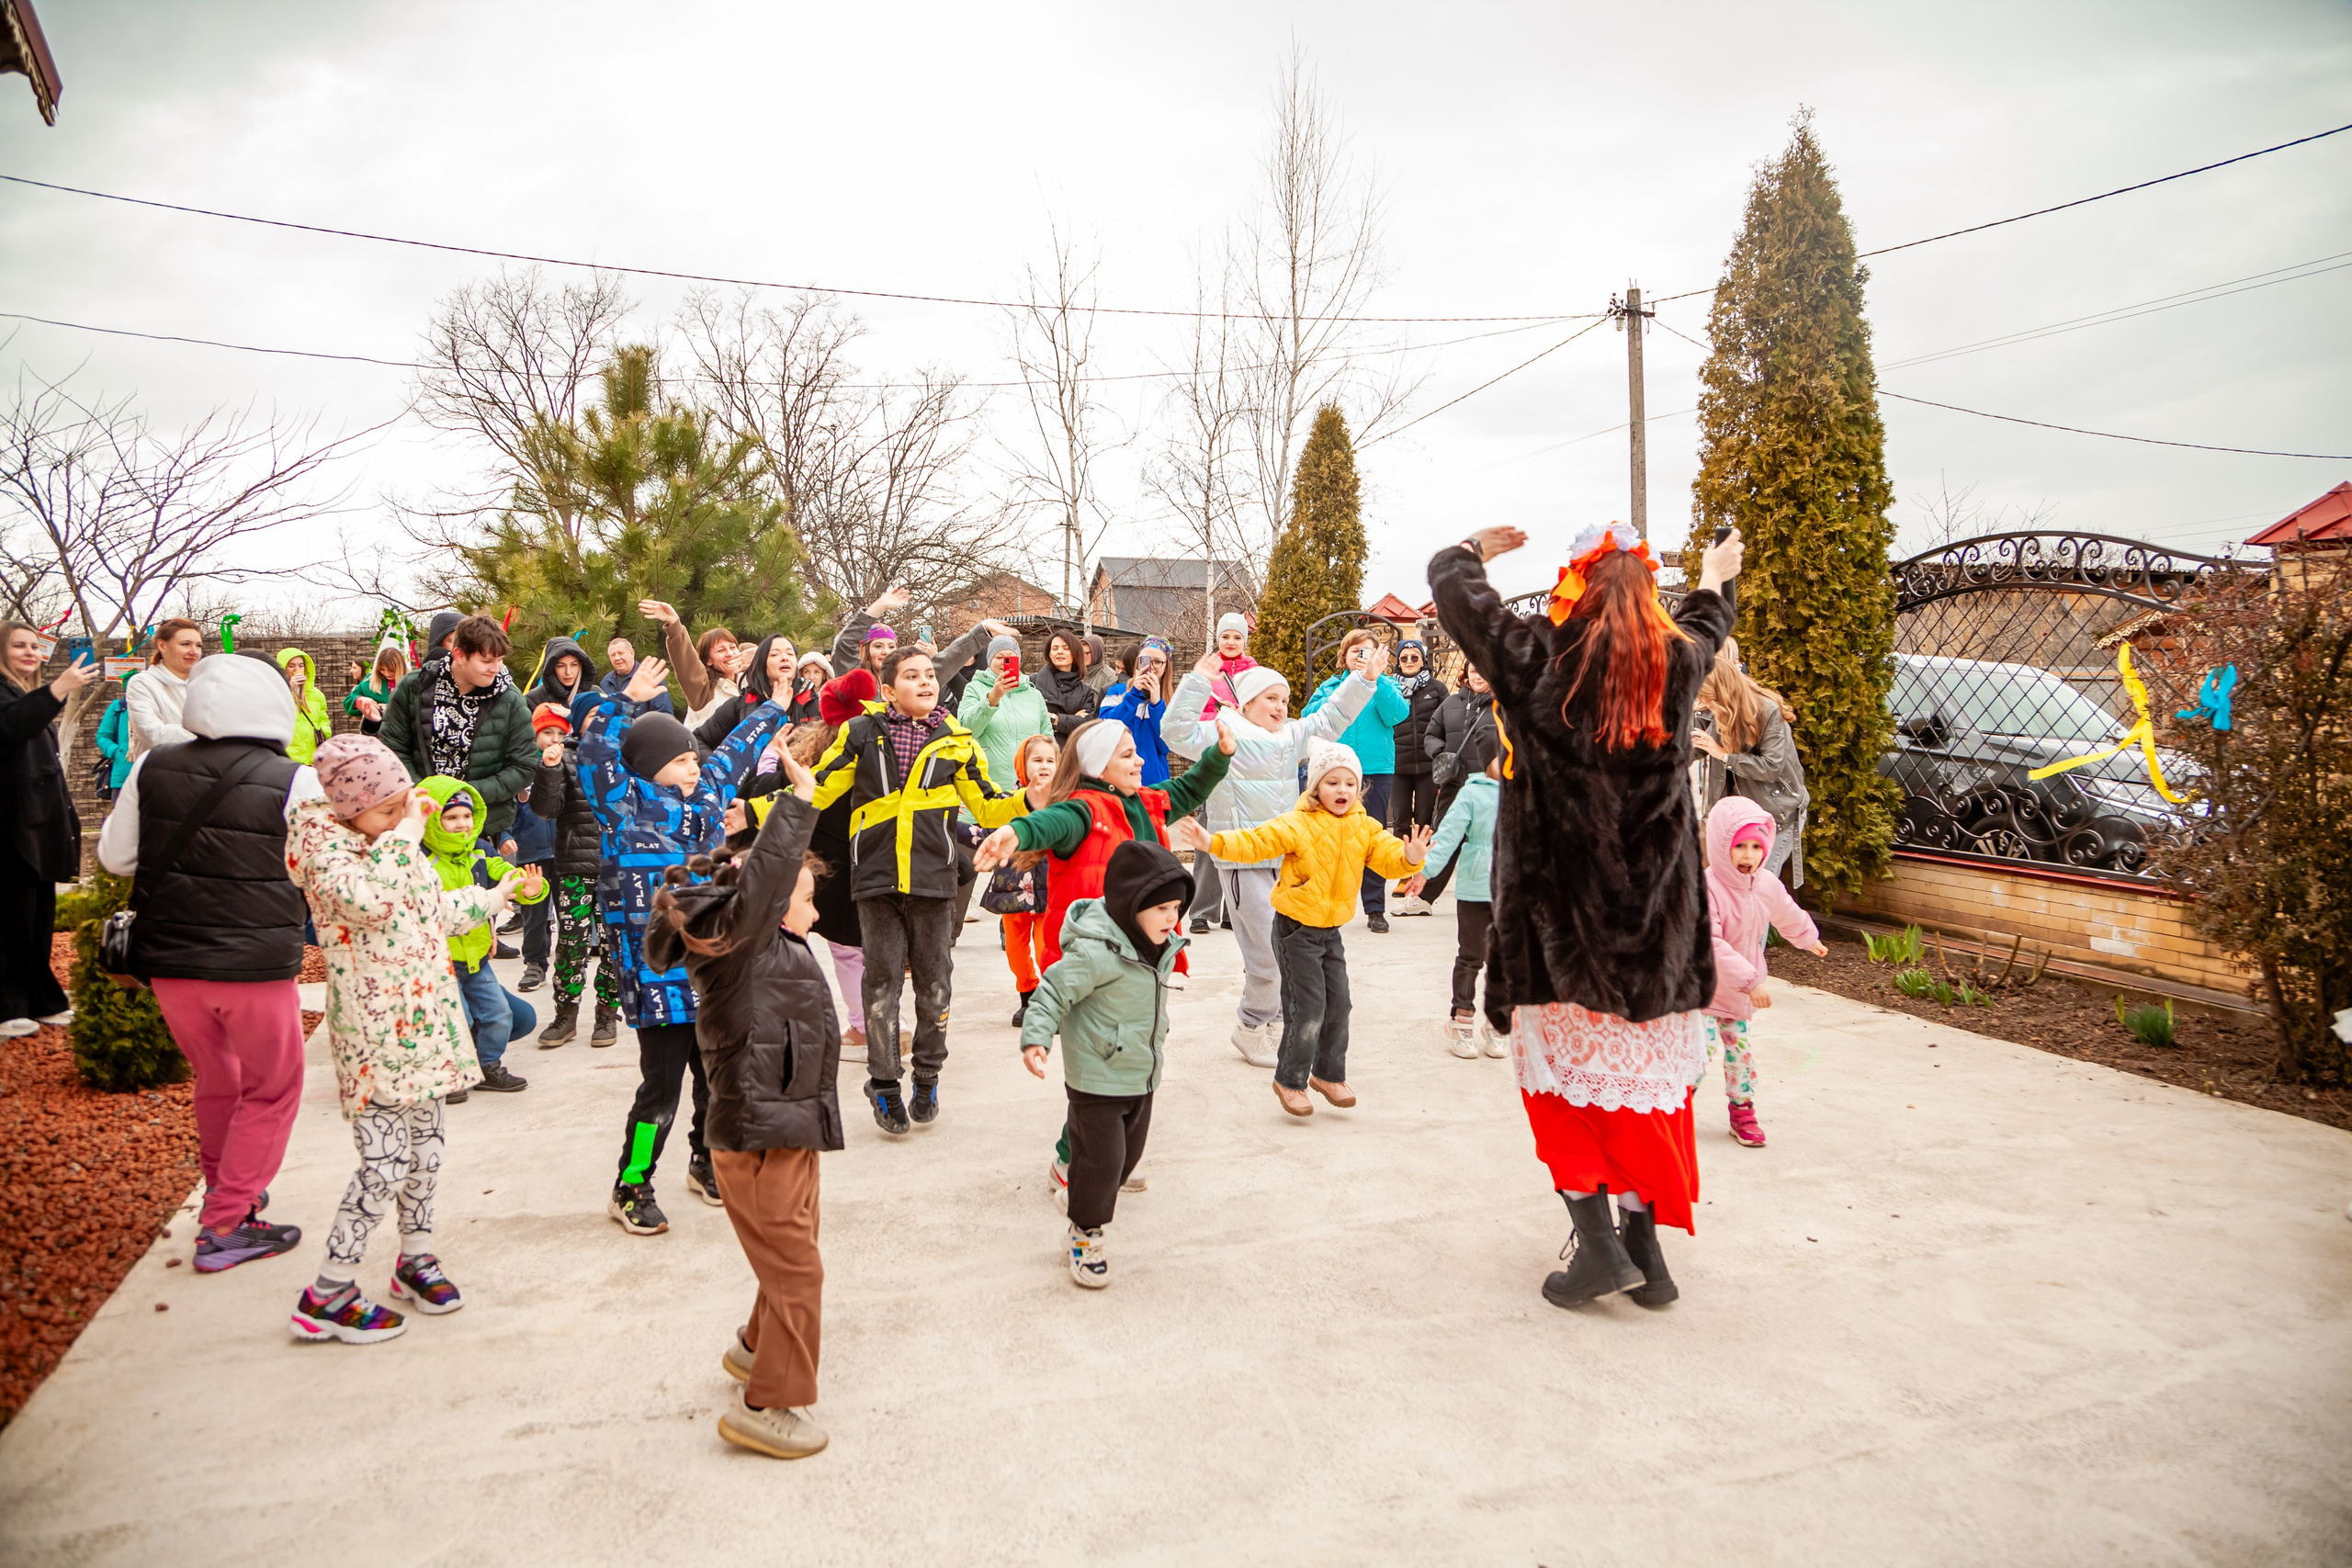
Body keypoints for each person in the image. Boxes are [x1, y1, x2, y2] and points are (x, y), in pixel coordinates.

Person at [1428, 519, 1744, 1314]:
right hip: (1652, 937)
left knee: (1564, 1094)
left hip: (1558, 929)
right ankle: (1647, 1250)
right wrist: (1716, 572)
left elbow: (1456, 596)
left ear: (1576, 588)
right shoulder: (1678, 661)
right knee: (1645, 1099)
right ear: (1650, 597)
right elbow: (1708, 620)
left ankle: (1600, 1245)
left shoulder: (1539, 661)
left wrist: (1472, 551)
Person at [285, 736, 514, 1344]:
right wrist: (406, 833)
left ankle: (415, 1257)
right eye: (385, 808)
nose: (400, 815)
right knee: (383, 1163)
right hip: (375, 1030)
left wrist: (491, 898)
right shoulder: (326, 847)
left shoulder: (391, 842)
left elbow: (424, 907)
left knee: (426, 1152)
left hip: (426, 1023)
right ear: (345, 806)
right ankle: (327, 1292)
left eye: (401, 804)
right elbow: (371, 902)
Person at [647, 755, 839, 1460]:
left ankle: (753, 1347)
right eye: (807, 897)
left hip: (787, 1127)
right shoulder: (745, 945)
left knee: (792, 1253)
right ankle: (770, 1403)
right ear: (769, 899)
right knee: (798, 1268)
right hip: (760, 1134)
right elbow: (761, 882)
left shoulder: (772, 944)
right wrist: (799, 800)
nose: (814, 911)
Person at [95, 652, 311, 1269]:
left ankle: (228, 1190)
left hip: (171, 964)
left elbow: (115, 858)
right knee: (271, 1088)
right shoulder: (296, 778)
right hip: (256, 966)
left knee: (219, 1081)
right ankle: (224, 1224)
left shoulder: (150, 765)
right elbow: (318, 865)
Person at [581, 656, 787, 1234]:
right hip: (656, 979)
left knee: (717, 1078)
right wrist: (625, 701)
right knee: (660, 1090)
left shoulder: (703, 805)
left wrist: (774, 703)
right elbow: (597, 755)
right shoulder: (621, 807)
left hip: (709, 974)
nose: (693, 768)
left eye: (692, 758)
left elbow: (735, 753)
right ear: (648, 768)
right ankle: (633, 1184)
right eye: (678, 761)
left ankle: (707, 1160)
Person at [808, 648, 1023, 1135]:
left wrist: (1031, 799)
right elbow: (817, 789)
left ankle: (927, 1075)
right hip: (877, 879)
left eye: (930, 674)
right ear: (888, 691)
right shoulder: (861, 733)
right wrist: (761, 810)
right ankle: (884, 1084)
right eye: (912, 676)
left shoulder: (958, 742)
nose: (926, 681)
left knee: (934, 981)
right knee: (881, 983)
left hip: (933, 877)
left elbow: (988, 806)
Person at [1176, 740, 1430, 1118]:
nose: (1341, 790)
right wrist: (1212, 841)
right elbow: (1256, 842)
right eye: (1332, 783)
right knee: (1307, 1007)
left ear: (1358, 789)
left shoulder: (1365, 826)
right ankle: (1290, 1079)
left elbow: (1387, 857)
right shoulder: (1298, 822)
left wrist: (1410, 859)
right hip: (1296, 930)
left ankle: (1328, 1075)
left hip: (1330, 931)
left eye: (1348, 783)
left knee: (1339, 1004)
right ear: (1314, 788)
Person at [1162, 648, 1379, 1068]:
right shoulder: (1225, 730)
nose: (1280, 706)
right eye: (1270, 698)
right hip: (1243, 860)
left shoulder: (1290, 736)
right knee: (1265, 951)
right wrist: (1197, 682)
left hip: (1285, 859)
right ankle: (1250, 1026)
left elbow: (1331, 717)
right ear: (1247, 702)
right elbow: (1175, 731)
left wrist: (1364, 680)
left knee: (1286, 949)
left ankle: (1277, 1021)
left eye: (1284, 699)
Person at [1020, 838, 1190, 1290]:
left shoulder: (1158, 946)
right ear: (1131, 904)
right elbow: (1052, 992)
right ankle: (1084, 1233)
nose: (1172, 919)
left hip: (1141, 1074)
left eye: (1177, 908)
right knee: (1103, 1160)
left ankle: (1082, 1197)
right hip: (1096, 1077)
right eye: (1162, 909)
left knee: (1125, 1161)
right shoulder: (1096, 953)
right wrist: (1036, 1039)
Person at [1702, 796, 1826, 1149]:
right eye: (1739, 845)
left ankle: (1743, 1112)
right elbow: (1709, 943)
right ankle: (1673, 1111)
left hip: (1737, 1000)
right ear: (1721, 845)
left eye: (1757, 846)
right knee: (1697, 1054)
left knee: (1740, 1056)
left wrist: (1809, 938)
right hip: (1703, 994)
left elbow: (1787, 912)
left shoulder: (1766, 883)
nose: (1749, 855)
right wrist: (1751, 981)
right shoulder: (1706, 887)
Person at [420, 778, 548, 1094]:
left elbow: (506, 876)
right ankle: (450, 1073)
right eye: (451, 818)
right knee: (455, 1017)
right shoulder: (421, 860)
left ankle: (486, 1065)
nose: (462, 824)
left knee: (500, 1014)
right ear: (432, 820)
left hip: (476, 959)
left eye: (466, 816)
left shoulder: (478, 851)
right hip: (439, 963)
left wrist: (529, 888)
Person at [2, 625, 94, 1036]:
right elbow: (16, 726)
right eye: (18, 645)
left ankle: (40, 1000)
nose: (29, 651)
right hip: (10, 823)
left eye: (35, 646)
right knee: (11, 919)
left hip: (37, 821)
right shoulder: (9, 697)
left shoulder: (24, 694)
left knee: (38, 918)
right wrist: (58, 688)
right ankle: (7, 1006)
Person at [380, 615, 540, 841]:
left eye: (500, 660)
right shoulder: (415, 687)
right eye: (486, 661)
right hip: (420, 820)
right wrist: (429, 791)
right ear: (459, 655)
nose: (496, 669)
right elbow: (392, 749)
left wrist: (467, 793)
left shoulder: (510, 698)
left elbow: (524, 766)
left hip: (482, 827)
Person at [1302, 629, 1410, 931]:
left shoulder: (1386, 685)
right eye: (1355, 652)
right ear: (1344, 656)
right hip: (1336, 772)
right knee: (1329, 837)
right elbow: (1311, 717)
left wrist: (1375, 680)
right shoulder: (1330, 686)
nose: (1360, 657)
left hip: (1375, 770)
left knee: (1372, 838)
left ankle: (1375, 907)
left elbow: (1397, 715)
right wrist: (1349, 687)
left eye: (1367, 652)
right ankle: (1327, 903)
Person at [1397, 756, 1504, 1059]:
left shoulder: (1529, 790)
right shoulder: (1472, 793)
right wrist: (1424, 872)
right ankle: (1462, 1020)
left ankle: (1498, 1023)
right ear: (1487, 758)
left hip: (1514, 892)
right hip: (1476, 890)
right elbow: (1447, 838)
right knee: (1472, 956)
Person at [528, 703, 621, 1049]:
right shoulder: (563, 756)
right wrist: (549, 770)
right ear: (578, 721)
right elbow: (545, 809)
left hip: (616, 867)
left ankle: (607, 1014)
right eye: (592, 714)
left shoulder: (623, 754)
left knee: (614, 945)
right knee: (570, 945)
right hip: (574, 866)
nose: (600, 721)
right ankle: (565, 1016)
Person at [1695, 640, 1810, 889]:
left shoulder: (1766, 711)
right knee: (1730, 892)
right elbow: (1691, 748)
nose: (1709, 708)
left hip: (1776, 814)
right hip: (1735, 817)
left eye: (1711, 702)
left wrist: (1723, 755)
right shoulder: (1715, 709)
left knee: (1756, 891)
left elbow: (1770, 767)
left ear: (1723, 695)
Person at [985, 733, 1060, 1027]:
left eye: (1050, 760)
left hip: (1049, 889)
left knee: (1047, 948)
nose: (1044, 766)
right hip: (1012, 888)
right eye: (1036, 760)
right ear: (1022, 765)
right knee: (1016, 949)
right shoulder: (1010, 801)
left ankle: (1052, 1000)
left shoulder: (1063, 803)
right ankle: (1027, 993)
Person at [1418, 663, 1499, 904]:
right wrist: (1442, 753)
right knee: (1444, 836)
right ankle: (1423, 896)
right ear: (1466, 673)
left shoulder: (1503, 707)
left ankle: (1492, 895)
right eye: (1474, 671)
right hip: (1453, 783)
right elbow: (1431, 735)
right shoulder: (1451, 703)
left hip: (1489, 787)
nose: (1478, 676)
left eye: (1483, 670)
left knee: (1489, 840)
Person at [1385, 638, 1451, 914]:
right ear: (1398, 662)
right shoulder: (1388, 688)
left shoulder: (1437, 689)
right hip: (1397, 764)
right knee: (1399, 820)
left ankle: (1419, 873)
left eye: (1415, 658)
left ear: (1423, 660)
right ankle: (1403, 872)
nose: (1410, 662)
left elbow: (1448, 721)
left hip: (1427, 766)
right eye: (1404, 658)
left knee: (1424, 819)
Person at [638, 599, 744, 729]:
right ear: (708, 660)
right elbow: (687, 664)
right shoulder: (703, 689)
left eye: (732, 647)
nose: (729, 653)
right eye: (721, 650)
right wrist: (675, 626)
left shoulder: (751, 683)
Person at [500, 763, 559, 993]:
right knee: (534, 914)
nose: (553, 740)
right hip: (531, 854)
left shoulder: (568, 765)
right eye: (546, 733)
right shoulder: (520, 768)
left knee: (571, 914)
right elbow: (506, 809)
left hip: (568, 853)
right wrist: (504, 834)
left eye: (559, 734)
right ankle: (535, 963)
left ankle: (571, 963)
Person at [693, 634, 795, 750]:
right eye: (774, 654)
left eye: (790, 654)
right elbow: (698, 740)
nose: (730, 654)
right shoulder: (705, 689)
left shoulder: (811, 700)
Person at [1096, 638, 1173, 786]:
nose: (1151, 667)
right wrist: (1133, 694)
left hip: (1155, 785)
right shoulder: (1117, 692)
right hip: (1118, 781)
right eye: (1146, 660)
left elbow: (1165, 746)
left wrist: (1157, 704)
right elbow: (1106, 728)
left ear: (1166, 666)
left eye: (1158, 662)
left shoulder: (1170, 702)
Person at [127, 617, 204, 759]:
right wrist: (210, 734)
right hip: (163, 775)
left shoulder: (205, 683)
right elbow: (154, 734)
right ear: (162, 646)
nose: (194, 651)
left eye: (198, 645)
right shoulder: (142, 683)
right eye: (186, 644)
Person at [1035, 630, 1099, 740]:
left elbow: (1087, 725)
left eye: (1066, 648)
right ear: (1049, 654)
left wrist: (1052, 717)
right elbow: (1032, 716)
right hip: (1042, 749)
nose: (1060, 652)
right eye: (1055, 648)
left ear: (1075, 653)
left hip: (1072, 751)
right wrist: (1073, 719)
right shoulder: (1034, 682)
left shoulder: (1085, 691)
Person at [275, 647, 334, 764]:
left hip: (313, 758)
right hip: (287, 758)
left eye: (301, 666)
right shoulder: (277, 692)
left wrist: (323, 731)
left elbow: (324, 719)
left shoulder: (316, 695)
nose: (297, 670)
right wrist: (289, 689)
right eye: (291, 666)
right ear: (283, 668)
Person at [524, 632, 599, 717]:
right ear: (551, 668)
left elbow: (611, 726)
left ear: (581, 666)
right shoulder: (534, 699)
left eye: (573, 665)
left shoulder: (596, 694)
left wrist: (571, 716)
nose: (568, 672)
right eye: (561, 666)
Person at [601, 634, 677, 715]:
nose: (617, 658)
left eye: (621, 653)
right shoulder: (606, 682)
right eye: (613, 655)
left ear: (632, 653)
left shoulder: (649, 676)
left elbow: (663, 713)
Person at [345, 644, 409, 737]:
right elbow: (349, 701)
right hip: (375, 735)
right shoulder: (369, 681)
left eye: (391, 670)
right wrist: (360, 700)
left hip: (402, 735)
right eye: (382, 670)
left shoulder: (411, 682)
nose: (386, 673)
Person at [94, 673, 133, 803]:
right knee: (121, 820)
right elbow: (103, 736)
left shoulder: (157, 706)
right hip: (123, 775)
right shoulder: (118, 708)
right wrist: (117, 752)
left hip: (153, 775)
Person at [786, 651, 831, 725]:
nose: (811, 677)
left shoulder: (832, 698)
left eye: (817, 672)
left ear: (824, 675)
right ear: (801, 674)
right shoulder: (792, 697)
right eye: (807, 672)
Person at [1080, 632, 1113, 696]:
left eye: (1087, 653)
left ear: (1097, 653)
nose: (1083, 656)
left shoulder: (1110, 678)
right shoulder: (1078, 674)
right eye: (1081, 652)